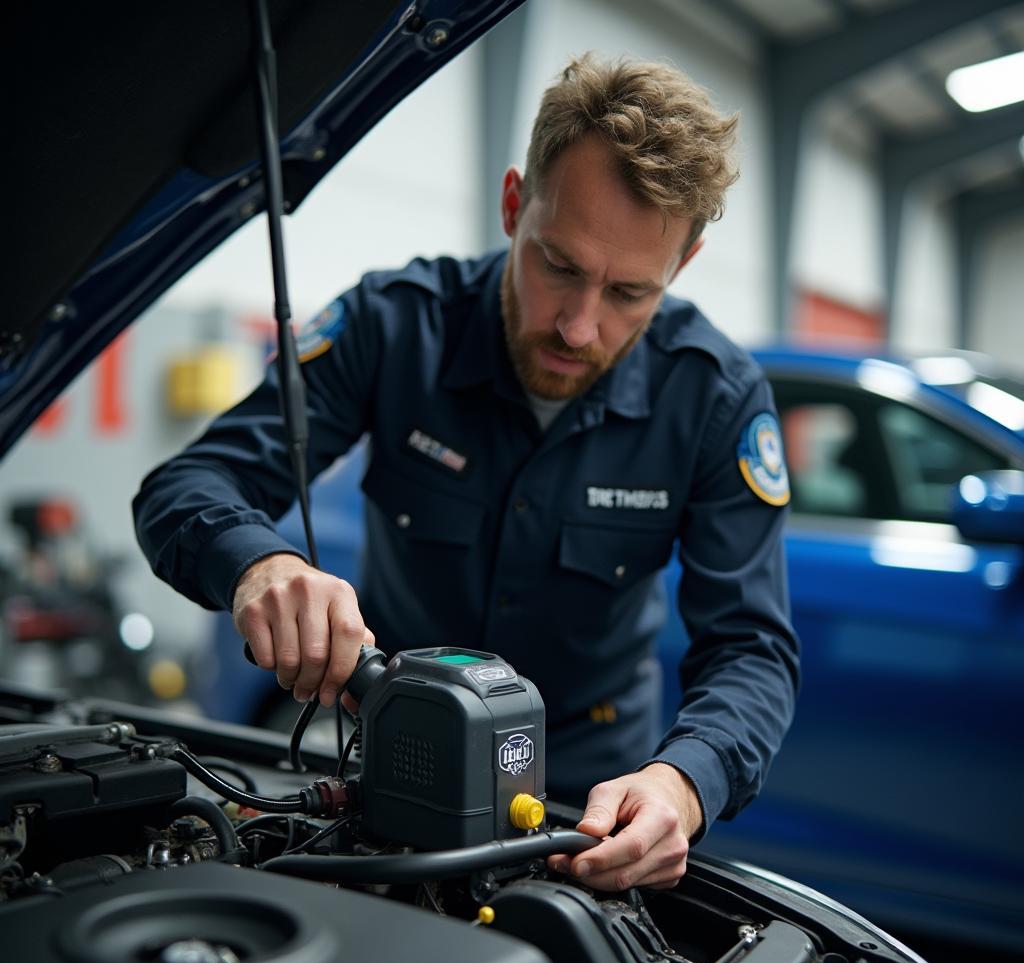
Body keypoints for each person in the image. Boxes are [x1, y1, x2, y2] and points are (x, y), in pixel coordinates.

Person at [134, 54, 798, 892]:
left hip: (588, 808)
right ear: (514, 203)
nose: (580, 326)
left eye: (630, 291)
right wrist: (261, 565)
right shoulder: (393, 326)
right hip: (400, 771)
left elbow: (752, 649)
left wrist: (685, 783)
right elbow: (185, 486)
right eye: (558, 264)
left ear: (685, 263)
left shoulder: (715, 398)